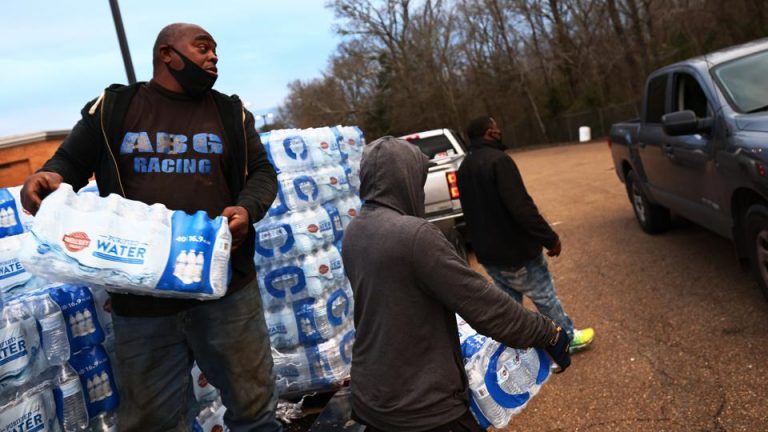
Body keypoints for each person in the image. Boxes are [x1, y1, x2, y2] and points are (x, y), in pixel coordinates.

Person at [20, 23, 282, 431]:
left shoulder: (229, 112)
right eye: (203, 48)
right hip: (143, 302)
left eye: (215, 51)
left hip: (225, 292)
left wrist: (248, 209)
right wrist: (49, 176)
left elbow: (263, 172)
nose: (214, 57)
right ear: (166, 54)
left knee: (255, 410)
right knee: (153, 422)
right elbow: (69, 163)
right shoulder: (114, 109)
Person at [341, 136, 572, 432]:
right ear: (405, 179)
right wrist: (548, 334)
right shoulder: (414, 237)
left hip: (371, 396)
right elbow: (483, 305)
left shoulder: (355, 232)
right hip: (422, 406)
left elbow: (401, 302)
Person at [457, 115, 595, 354]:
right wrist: (550, 238)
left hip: (488, 254)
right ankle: (566, 340)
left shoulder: (464, 167)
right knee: (545, 297)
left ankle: (516, 346)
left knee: (510, 305)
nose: (500, 130)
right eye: (496, 127)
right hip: (516, 251)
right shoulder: (499, 161)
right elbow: (521, 207)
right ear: (489, 132)